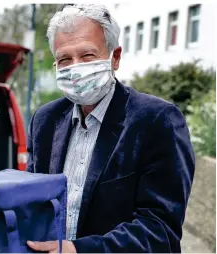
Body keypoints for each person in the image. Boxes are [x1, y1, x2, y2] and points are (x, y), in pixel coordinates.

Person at [25, 4, 195, 253]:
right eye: (65, 59)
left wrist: (80, 250)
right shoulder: (45, 120)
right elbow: (33, 202)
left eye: (87, 56)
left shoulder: (158, 120)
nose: (75, 68)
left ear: (115, 58)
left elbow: (160, 230)